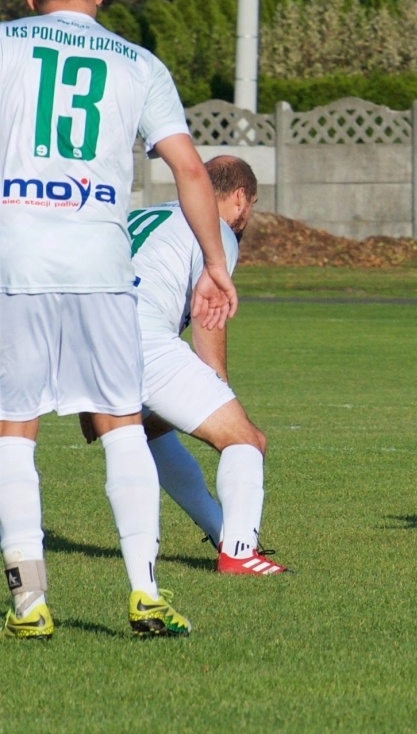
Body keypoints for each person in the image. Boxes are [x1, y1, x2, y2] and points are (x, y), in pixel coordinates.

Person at [0, 0, 236, 640]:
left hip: (18, 260)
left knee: (15, 430)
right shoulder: (138, 63)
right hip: (104, 266)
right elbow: (191, 172)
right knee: (121, 424)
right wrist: (214, 262)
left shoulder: (6, 44)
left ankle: (29, 602)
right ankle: (144, 591)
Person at [85, 155, 286, 575]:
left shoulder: (146, 215)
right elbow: (208, 312)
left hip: (86, 336)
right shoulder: (216, 231)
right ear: (238, 198)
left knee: (153, 430)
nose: (247, 216)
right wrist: (220, 390)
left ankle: (222, 533)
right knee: (246, 440)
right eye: (250, 205)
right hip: (139, 337)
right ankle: (240, 553)